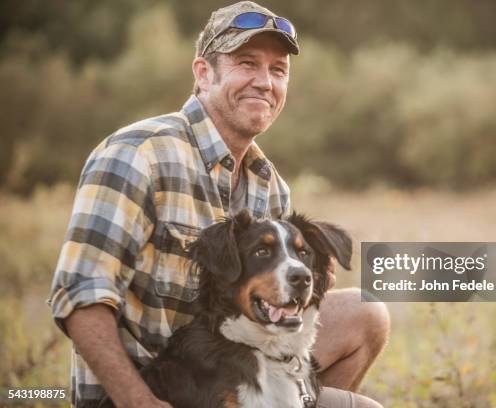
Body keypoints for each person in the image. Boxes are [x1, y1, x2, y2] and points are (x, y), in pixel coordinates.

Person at [49, 2, 390, 407]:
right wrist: (140, 402)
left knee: (365, 315)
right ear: (203, 73)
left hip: (237, 379)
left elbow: (266, 304)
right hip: (148, 390)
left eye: (278, 70)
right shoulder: (138, 153)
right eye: (247, 63)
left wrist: (309, 278)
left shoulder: (270, 185)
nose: (265, 82)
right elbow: (81, 295)